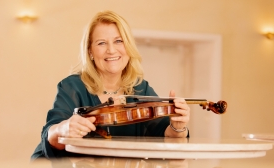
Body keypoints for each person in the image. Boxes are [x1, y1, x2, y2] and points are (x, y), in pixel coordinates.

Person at [31, 10, 190, 160]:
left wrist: (177, 127)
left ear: (128, 46)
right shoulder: (73, 86)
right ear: (90, 52)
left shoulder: (141, 88)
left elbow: (164, 135)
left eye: (118, 41)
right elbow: (50, 134)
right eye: (101, 43)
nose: (111, 50)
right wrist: (63, 129)